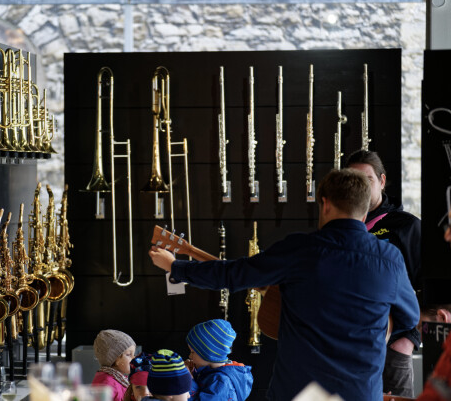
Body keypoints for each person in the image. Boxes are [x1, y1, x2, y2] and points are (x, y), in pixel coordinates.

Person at [149, 169, 420, 401]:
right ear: (364, 209)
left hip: (298, 391)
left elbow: (232, 274)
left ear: (325, 204)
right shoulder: (390, 259)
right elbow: (410, 316)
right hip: (359, 392)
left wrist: (176, 267)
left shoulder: (298, 250)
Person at [345, 150, 422, 398]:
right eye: (354, 180)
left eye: (367, 179)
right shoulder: (340, 226)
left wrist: (408, 339)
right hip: (348, 344)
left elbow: (423, 283)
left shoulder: (407, 226)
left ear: (382, 181)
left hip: (393, 344)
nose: (361, 187)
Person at [185, 319, 253, 400]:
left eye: (193, 352)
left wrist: (188, 381)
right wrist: (193, 374)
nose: (190, 356)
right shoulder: (213, 372)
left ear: (209, 354)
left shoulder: (221, 383)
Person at [92, 329, 137, 401]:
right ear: (115, 359)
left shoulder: (120, 378)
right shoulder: (106, 384)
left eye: (134, 354)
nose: (134, 358)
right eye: (128, 354)